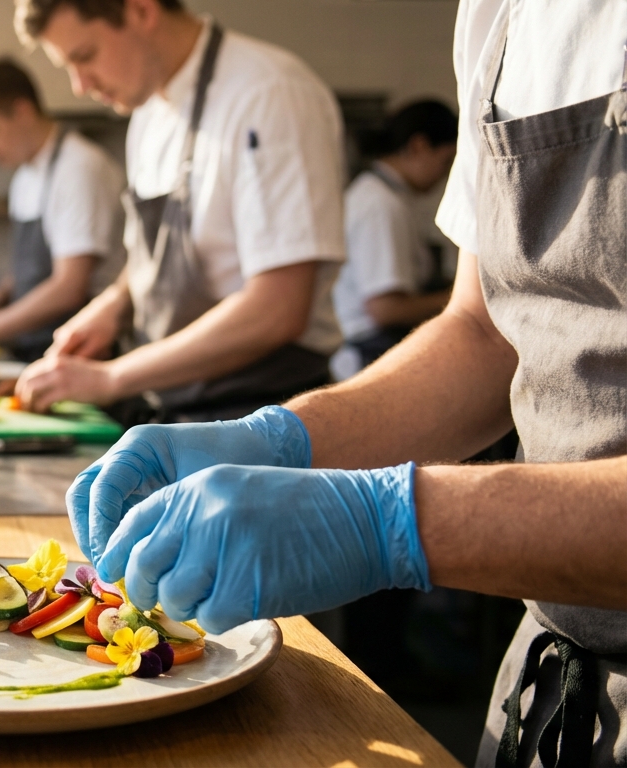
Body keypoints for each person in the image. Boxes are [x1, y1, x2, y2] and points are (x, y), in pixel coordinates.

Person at [68, 1, 627, 764]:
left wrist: (388, 521)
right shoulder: (496, 15)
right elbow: (486, 332)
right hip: (556, 682)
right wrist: (282, 440)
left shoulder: (267, 90)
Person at [12, 0, 346, 424]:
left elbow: (278, 308)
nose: (80, 85)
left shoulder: (269, 94)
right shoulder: (148, 115)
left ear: (141, 11)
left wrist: (113, 377)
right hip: (177, 407)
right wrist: (114, 305)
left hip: (262, 417)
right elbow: (154, 258)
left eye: (85, 56)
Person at [0, 58, 124, 362]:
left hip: (81, 355)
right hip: (35, 348)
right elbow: (34, 268)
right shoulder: (24, 177)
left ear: (22, 111)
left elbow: (69, 287)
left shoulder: (79, 168)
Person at [333, 100, 458, 377]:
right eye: (446, 161)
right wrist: (460, 297)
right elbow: (385, 309)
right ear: (419, 146)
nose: (445, 174)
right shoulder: (380, 204)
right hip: (370, 352)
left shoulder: (388, 196)